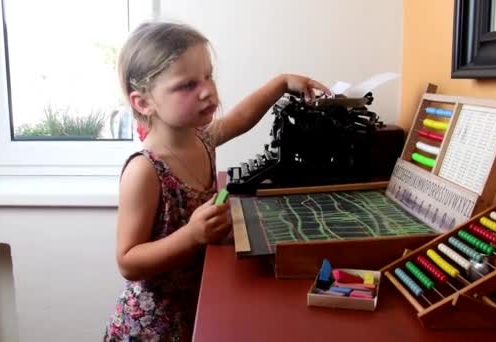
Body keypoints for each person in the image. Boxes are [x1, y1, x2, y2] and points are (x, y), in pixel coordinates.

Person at [104, 21, 331, 341]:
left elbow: (241, 117)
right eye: (187, 85)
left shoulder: (202, 138)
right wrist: (193, 235)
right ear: (143, 102)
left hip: (194, 306)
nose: (208, 90)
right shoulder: (144, 171)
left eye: (208, 76)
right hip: (154, 327)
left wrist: (282, 83)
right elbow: (128, 261)